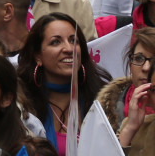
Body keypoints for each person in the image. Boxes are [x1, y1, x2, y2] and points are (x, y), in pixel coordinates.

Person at [16, 13, 110, 151]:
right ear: (38, 56)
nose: (69, 49)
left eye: (74, 41)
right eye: (56, 42)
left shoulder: (104, 101)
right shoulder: (20, 105)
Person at [96, 26, 155, 153]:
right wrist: (129, 130)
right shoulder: (103, 110)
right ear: (130, 65)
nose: (146, 67)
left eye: (154, 60)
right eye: (139, 58)